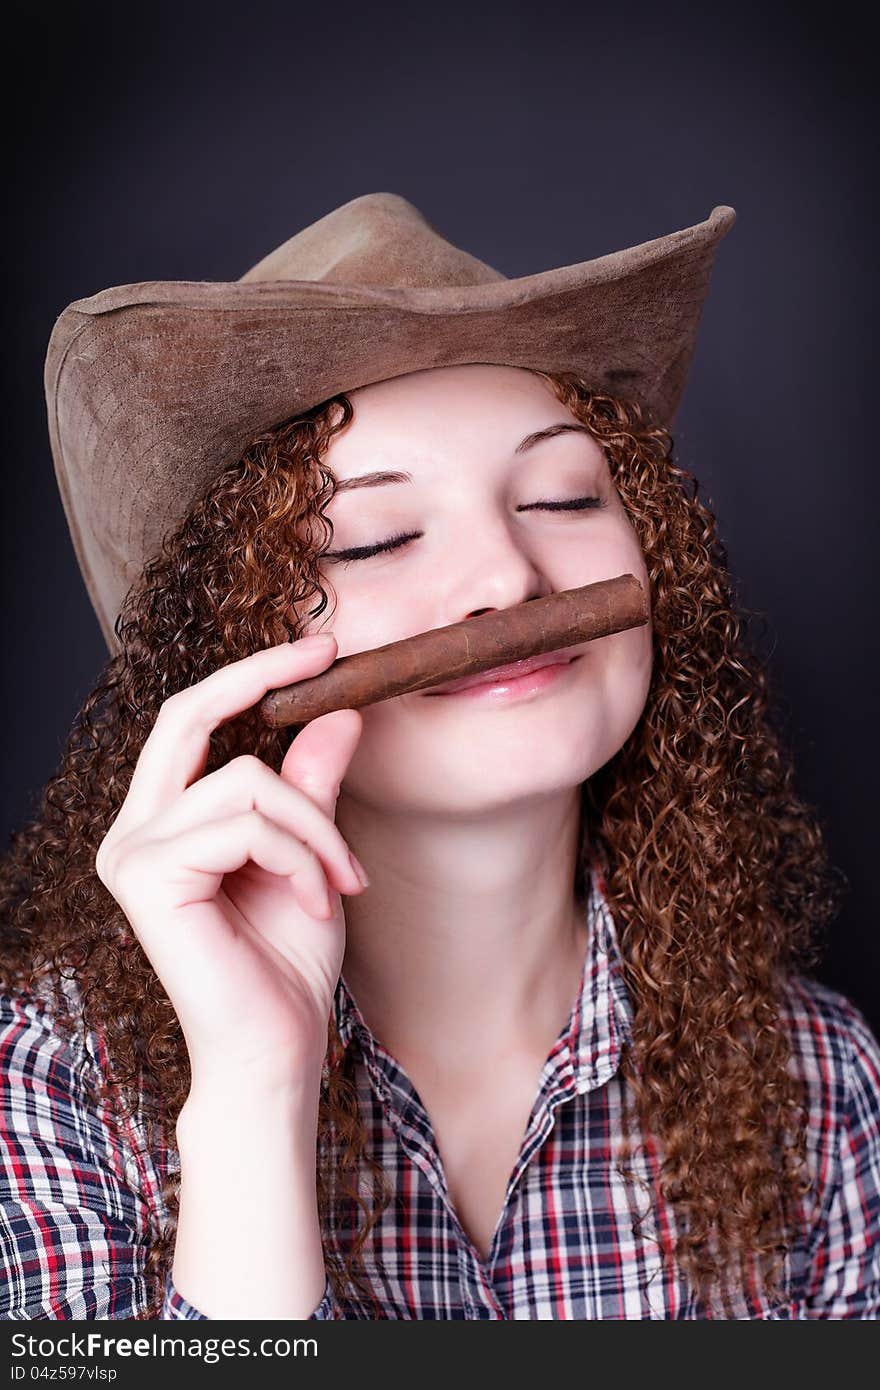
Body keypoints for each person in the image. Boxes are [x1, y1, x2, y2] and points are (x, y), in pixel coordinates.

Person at [1, 196, 878, 1320]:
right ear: (238, 638)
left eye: (563, 496)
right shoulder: (55, 1085)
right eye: (374, 536)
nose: (507, 582)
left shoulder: (820, 1081)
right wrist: (254, 1098)